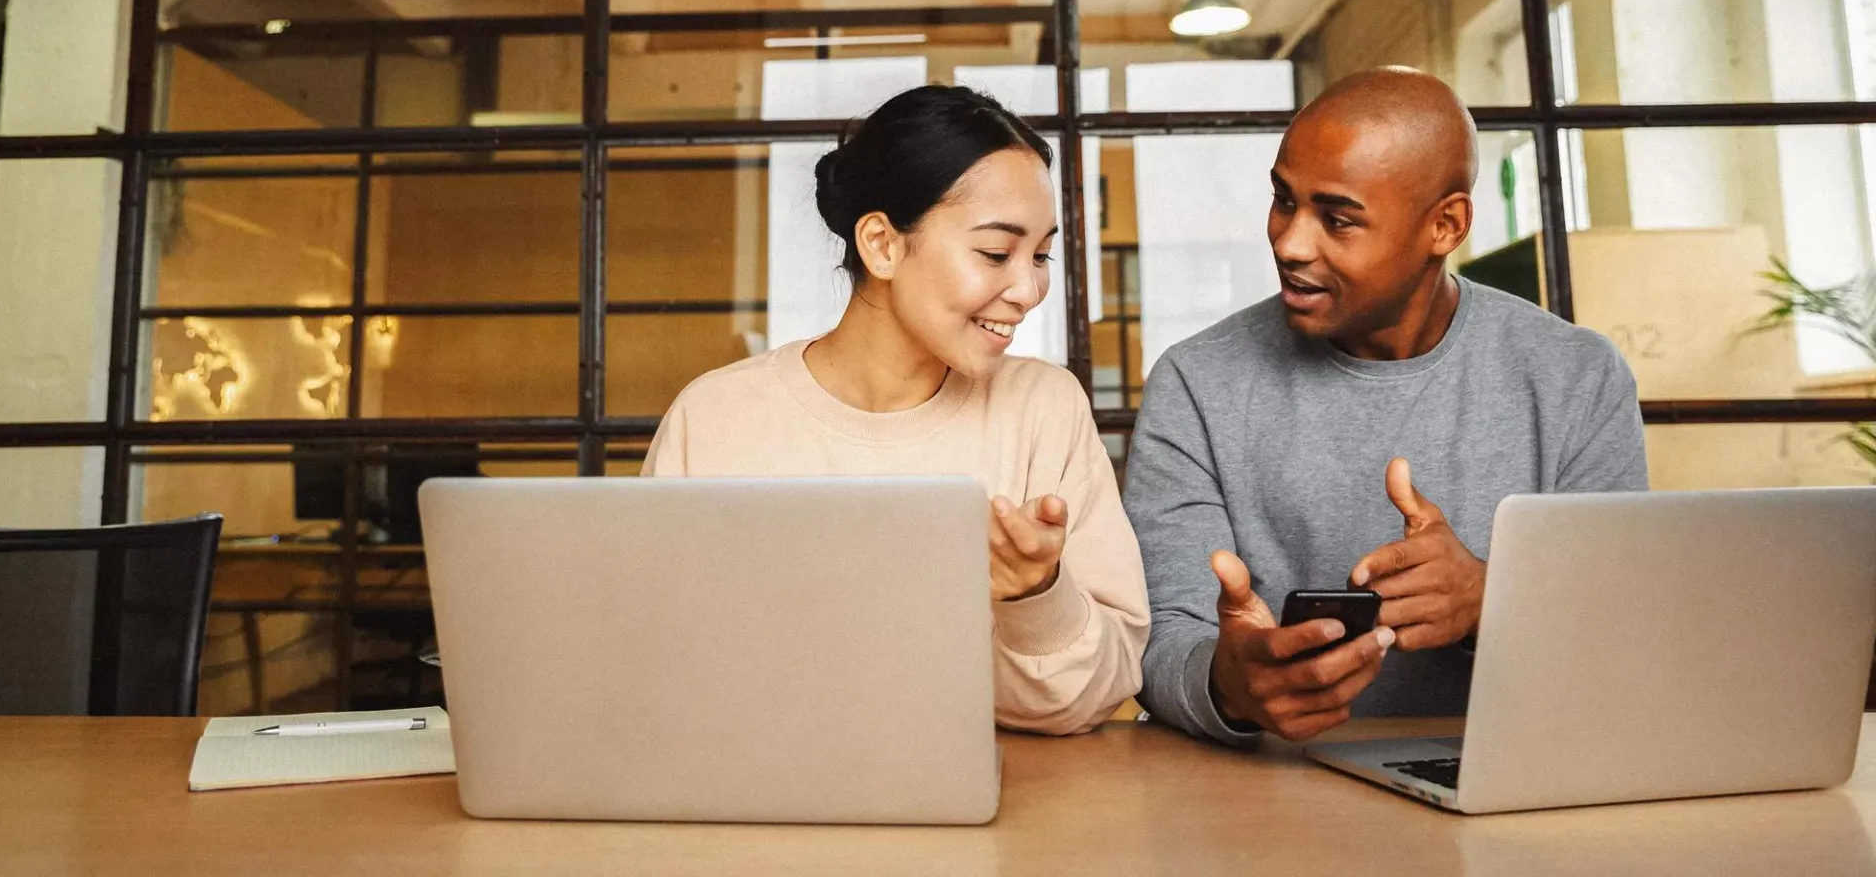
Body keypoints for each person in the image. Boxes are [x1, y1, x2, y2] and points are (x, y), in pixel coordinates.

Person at [1124, 67, 1646, 745]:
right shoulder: (1196, 383)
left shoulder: (1576, 377)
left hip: (1512, 778)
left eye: (1337, 219)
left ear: (1445, 225)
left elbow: (1619, 641)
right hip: (1269, 802)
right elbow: (1161, 641)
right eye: (1284, 200)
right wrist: (1230, 684)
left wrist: (1493, 600)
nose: (1289, 243)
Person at [644, 84, 1149, 735]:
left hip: (1001, 814)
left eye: (1042, 254)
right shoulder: (716, 418)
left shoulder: (1043, 409)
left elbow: (1095, 698)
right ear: (882, 244)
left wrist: (1034, 594)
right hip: (757, 805)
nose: (1028, 289)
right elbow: (656, 672)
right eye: (996, 252)